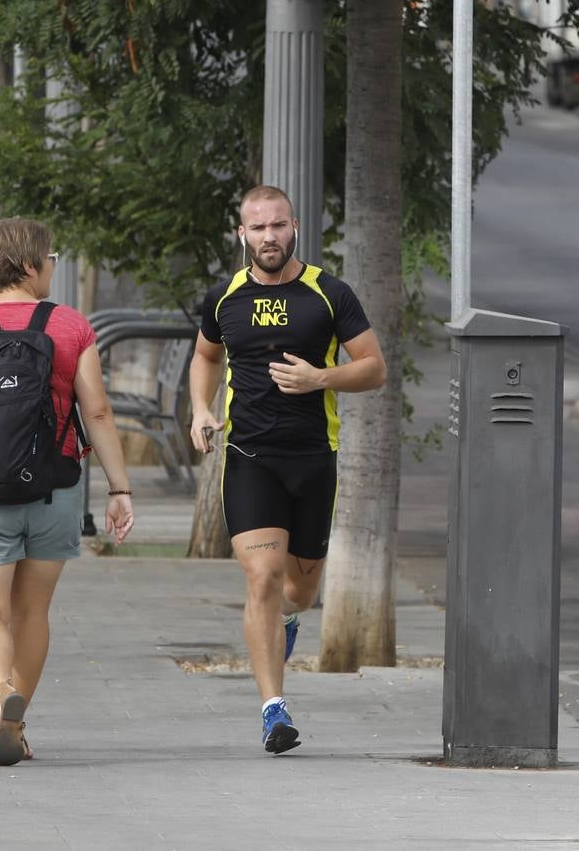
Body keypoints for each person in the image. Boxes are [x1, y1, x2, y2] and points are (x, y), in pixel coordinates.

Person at [0, 218, 135, 767]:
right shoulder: (71, 328)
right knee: (33, 611)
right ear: (32, 265)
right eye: (52, 257)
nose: (55, 266)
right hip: (55, 490)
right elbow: (99, 412)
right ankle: (14, 720)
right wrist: (119, 488)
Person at [188, 185, 386, 755]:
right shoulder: (224, 297)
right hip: (250, 458)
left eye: (278, 226)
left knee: (299, 588)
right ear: (241, 234)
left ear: (293, 226)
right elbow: (206, 354)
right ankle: (274, 711)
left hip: (313, 461)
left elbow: (374, 368)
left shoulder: (329, 293)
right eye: (258, 228)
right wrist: (202, 409)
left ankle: (288, 624)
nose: (269, 237)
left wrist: (320, 378)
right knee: (262, 581)